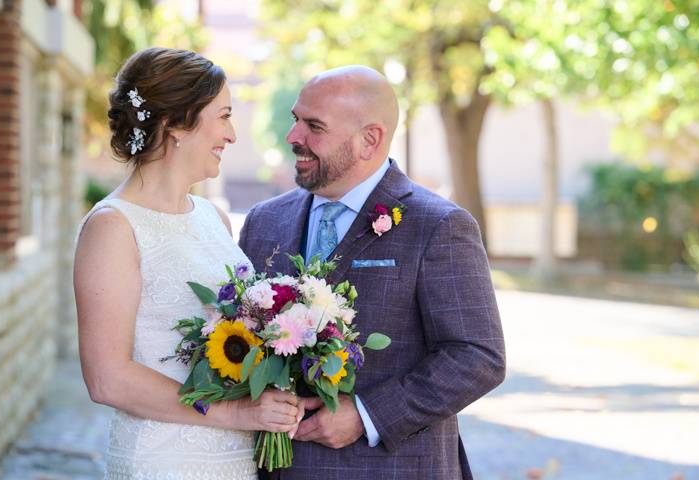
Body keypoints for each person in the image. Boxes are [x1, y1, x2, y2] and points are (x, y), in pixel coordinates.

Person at [239, 65, 506, 479]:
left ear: (370, 140)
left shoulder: (437, 225)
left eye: (314, 126)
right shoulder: (263, 222)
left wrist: (366, 415)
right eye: (296, 120)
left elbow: (478, 357)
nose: (294, 137)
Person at [74, 47, 302, 480]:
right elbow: (108, 379)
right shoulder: (113, 227)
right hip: (164, 460)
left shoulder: (212, 218)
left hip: (235, 459)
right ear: (177, 124)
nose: (232, 134)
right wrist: (236, 413)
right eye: (223, 116)